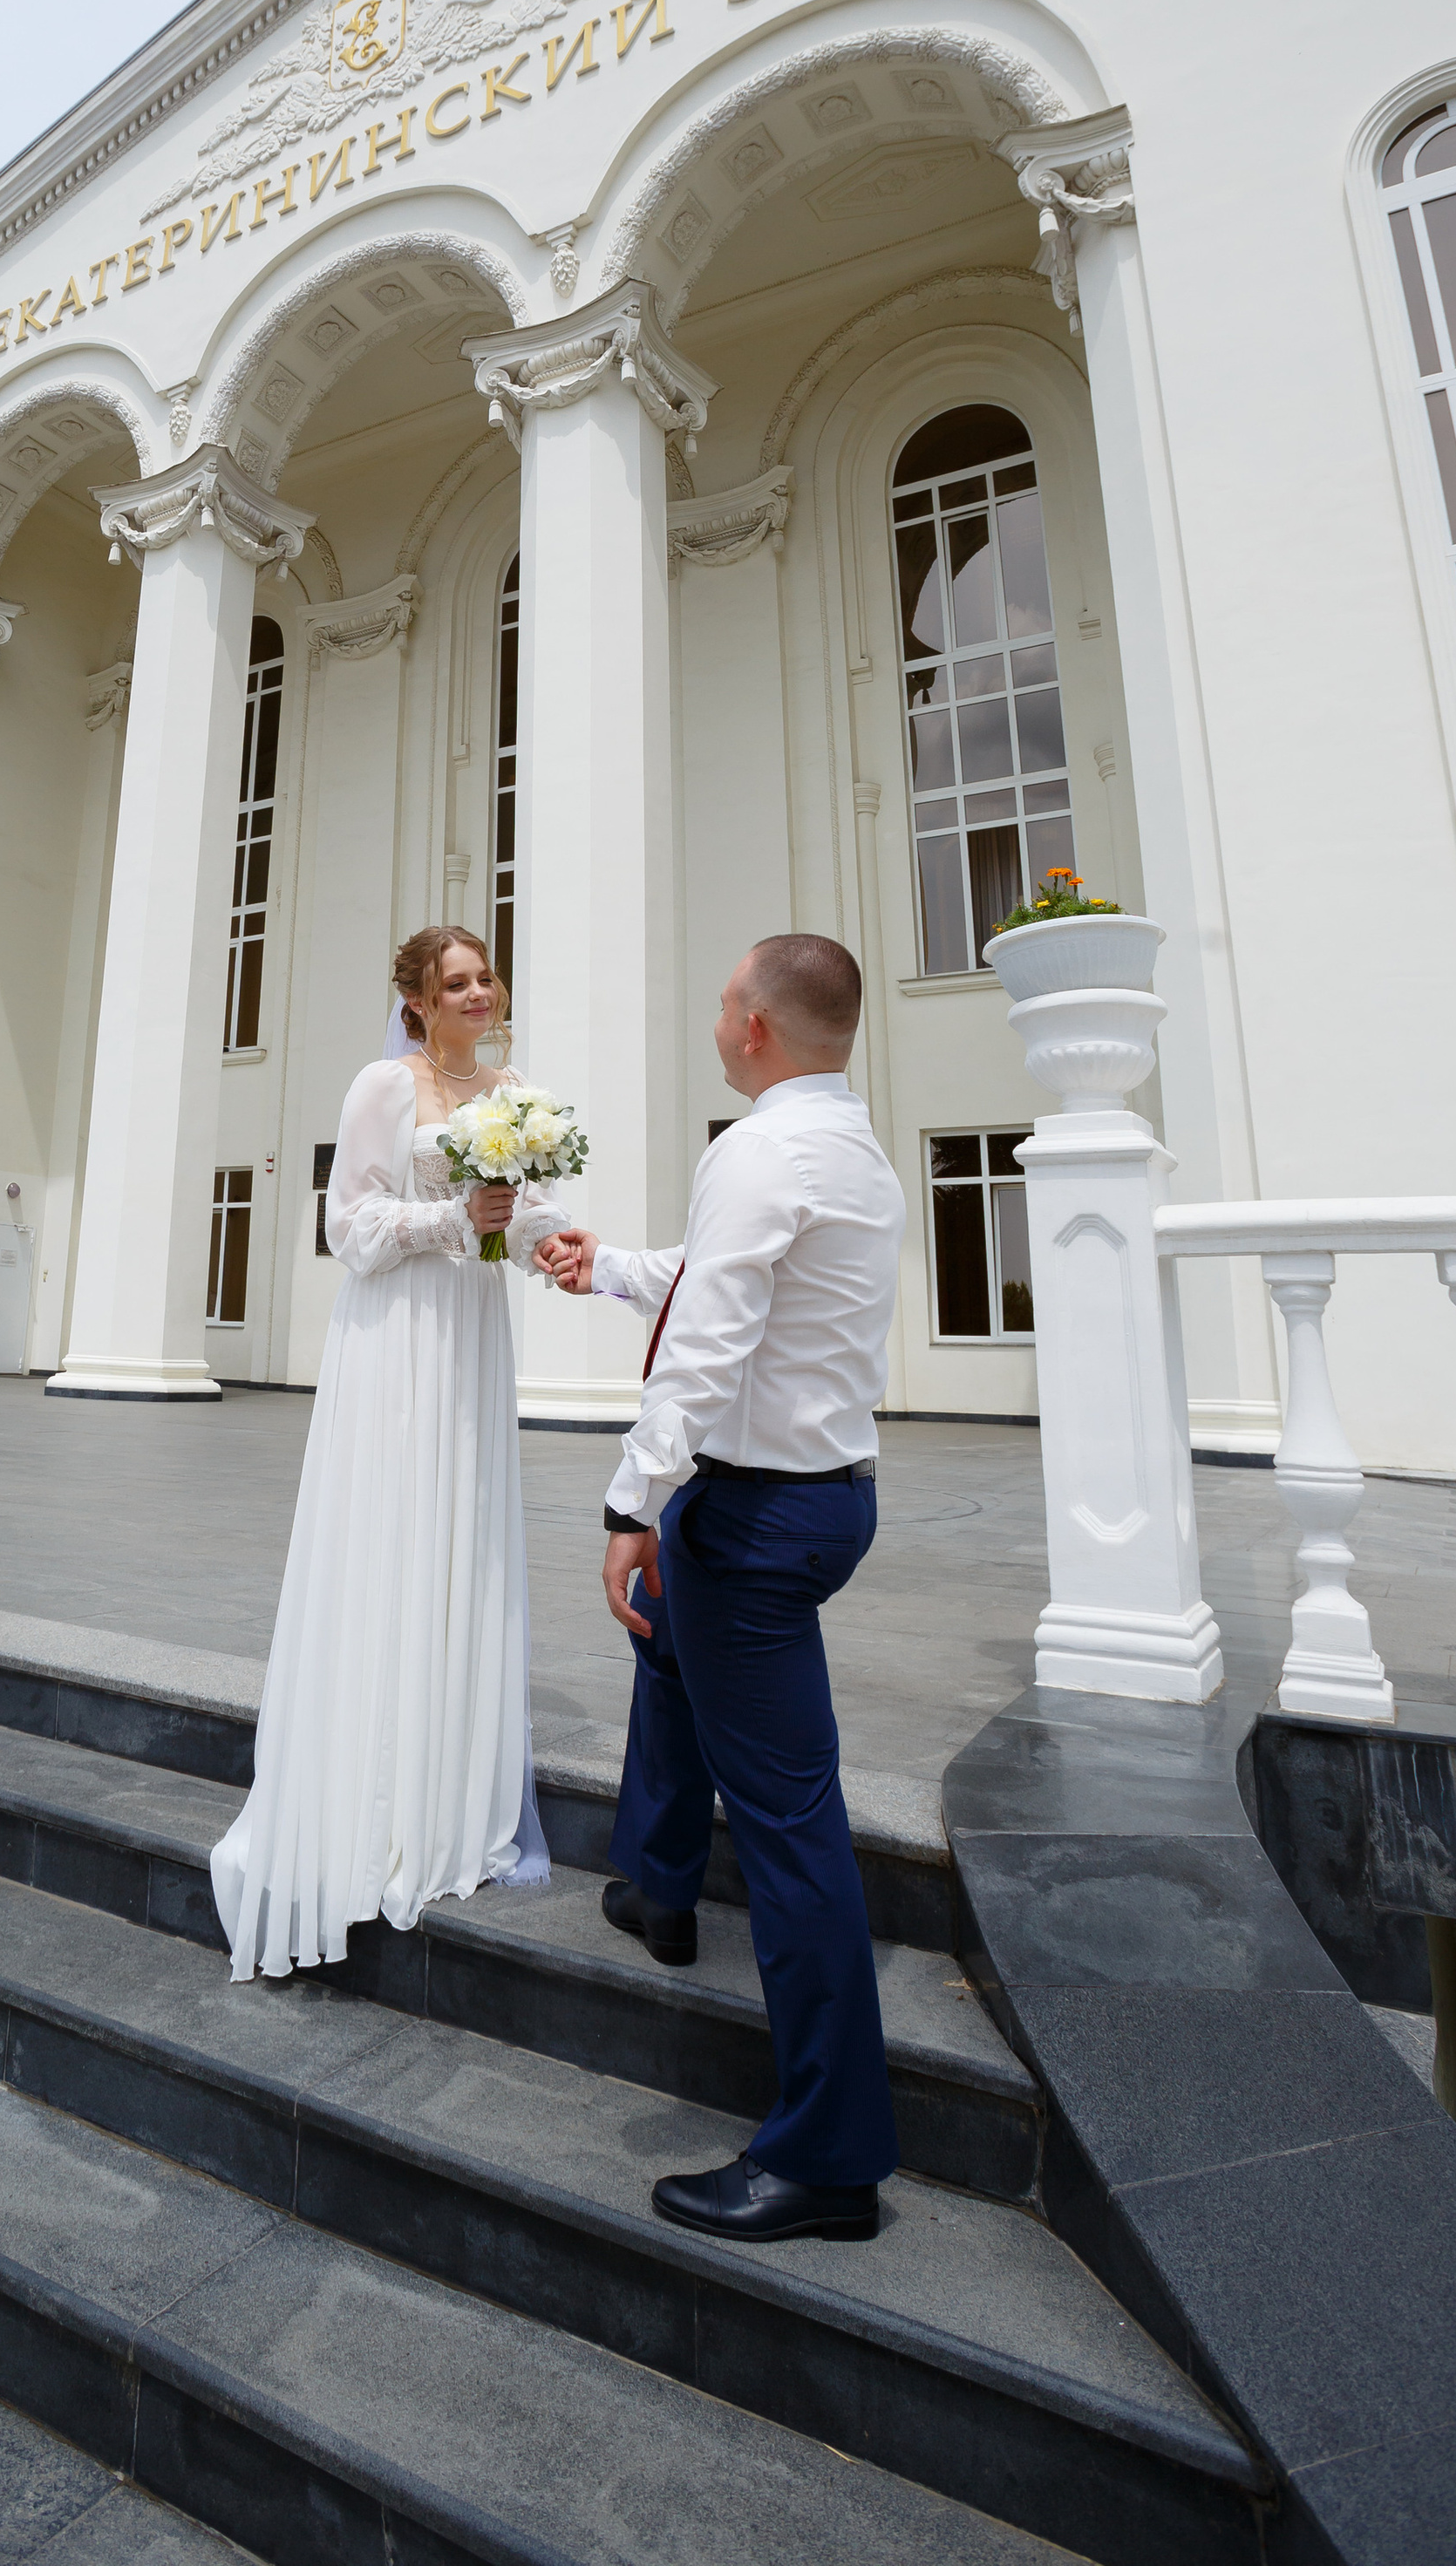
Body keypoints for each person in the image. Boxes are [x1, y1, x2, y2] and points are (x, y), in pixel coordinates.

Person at [534, 932, 906, 2243]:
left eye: (724, 1001)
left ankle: (830, 2155)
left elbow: (706, 1351)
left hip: (750, 1513)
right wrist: (609, 1267)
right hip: (824, 1497)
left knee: (796, 1823)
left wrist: (631, 1503)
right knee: (670, 1647)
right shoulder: (849, 1145)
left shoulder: (755, 1149)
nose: (716, 1017)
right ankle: (657, 1879)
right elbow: (731, 1287)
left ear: (753, 1027)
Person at [209, 926, 556, 1980]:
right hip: (397, 1338)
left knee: (460, 1539)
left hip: (469, 1336)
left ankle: (450, 1789)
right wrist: (456, 1217)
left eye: (486, 973)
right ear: (413, 999)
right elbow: (347, 1227)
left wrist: (555, 1241)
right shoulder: (382, 1085)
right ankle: (371, 1789)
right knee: (393, 1537)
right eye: (455, 981)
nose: (477, 990)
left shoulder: (515, 1091)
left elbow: (529, 1212)